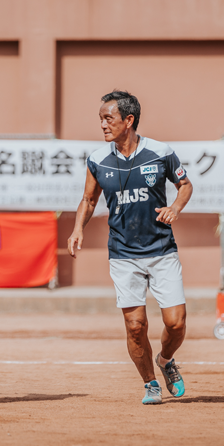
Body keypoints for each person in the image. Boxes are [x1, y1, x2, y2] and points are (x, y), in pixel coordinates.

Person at [67, 90, 193, 405]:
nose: (102, 125)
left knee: (175, 322)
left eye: (108, 118)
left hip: (162, 250)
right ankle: (150, 383)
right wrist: (77, 230)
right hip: (123, 254)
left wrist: (175, 207)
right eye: (100, 119)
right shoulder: (97, 159)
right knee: (135, 326)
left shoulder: (161, 152)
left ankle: (165, 360)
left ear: (129, 120)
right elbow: (88, 199)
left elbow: (185, 185)